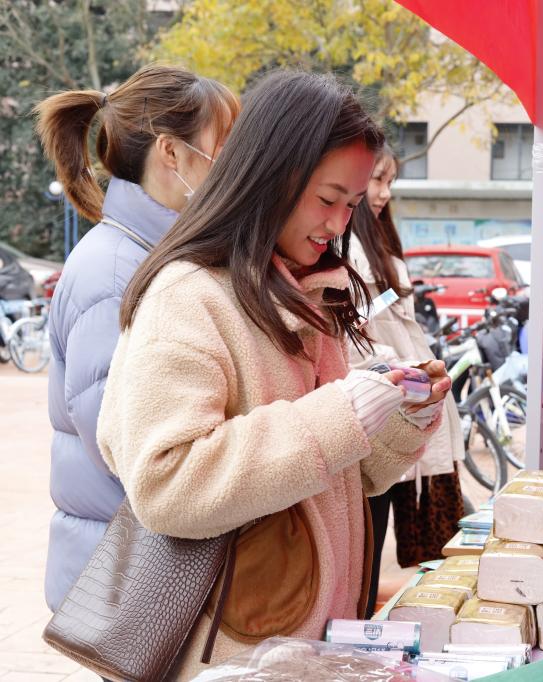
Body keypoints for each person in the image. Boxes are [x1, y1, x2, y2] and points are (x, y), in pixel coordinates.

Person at [95, 70, 452, 678]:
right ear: (271, 174)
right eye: (328, 199)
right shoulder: (188, 296)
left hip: (305, 643)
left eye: (352, 204)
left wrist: (399, 416)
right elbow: (165, 484)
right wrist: (341, 413)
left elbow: (347, 476)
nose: (339, 224)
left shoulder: (307, 290)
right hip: (236, 652)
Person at [33, 64, 239, 612]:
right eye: (224, 145)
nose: (235, 163)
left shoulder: (154, 257)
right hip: (127, 578)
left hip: (142, 563)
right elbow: (122, 440)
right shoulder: (114, 272)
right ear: (171, 152)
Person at [347, 144, 465, 617]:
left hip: (406, 404)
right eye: (377, 179)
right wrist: (402, 366)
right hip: (380, 407)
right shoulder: (346, 250)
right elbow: (355, 333)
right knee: (365, 546)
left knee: (381, 546)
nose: (384, 193)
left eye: (389, 181)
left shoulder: (379, 246)